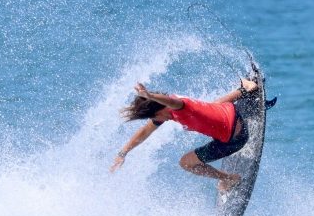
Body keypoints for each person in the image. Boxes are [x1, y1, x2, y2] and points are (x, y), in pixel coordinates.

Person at [111, 78, 259, 192]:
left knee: (186, 163)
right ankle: (244, 90)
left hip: (236, 139)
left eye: (154, 116)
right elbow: (144, 132)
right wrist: (123, 153)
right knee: (209, 107)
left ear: (159, 109)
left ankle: (229, 179)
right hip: (233, 113)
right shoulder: (171, 107)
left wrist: (149, 95)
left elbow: (170, 101)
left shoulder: (177, 106)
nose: (155, 120)